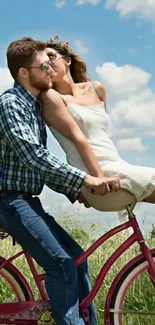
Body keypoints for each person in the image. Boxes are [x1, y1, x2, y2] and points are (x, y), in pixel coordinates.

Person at [0, 37, 122, 325]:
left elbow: (39, 169)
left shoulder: (34, 107)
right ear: (24, 73)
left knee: (77, 259)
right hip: (8, 199)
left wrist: (77, 189)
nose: (49, 69)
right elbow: (35, 157)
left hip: (27, 200)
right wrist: (85, 179)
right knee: (61, 265)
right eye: (43, 65)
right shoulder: (11, 104)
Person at [40, 36, 155, 213]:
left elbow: (101, 135)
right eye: (43, 63)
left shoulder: (97, 89)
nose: (48, 64)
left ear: (68, 60)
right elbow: (80, 139)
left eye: (51, 57)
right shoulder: (50, 97)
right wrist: (98, 178)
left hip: (116, 165)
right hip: (95, 175)